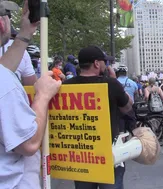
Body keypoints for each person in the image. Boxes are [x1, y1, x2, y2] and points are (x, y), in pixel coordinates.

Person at [0, 1, 62, 188]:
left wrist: (26, 33)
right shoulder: (4, 83)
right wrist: (42, 96)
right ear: (2, 24)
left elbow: (4, 70)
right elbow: (28, 143)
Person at [63, 45, 133, 189]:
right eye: (104, 62)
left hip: (80, 154)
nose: (106, 65)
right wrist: (116, 83)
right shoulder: (111, 84)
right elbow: (127, 107)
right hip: (109, 152)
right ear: (96, 63)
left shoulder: (66, 85)